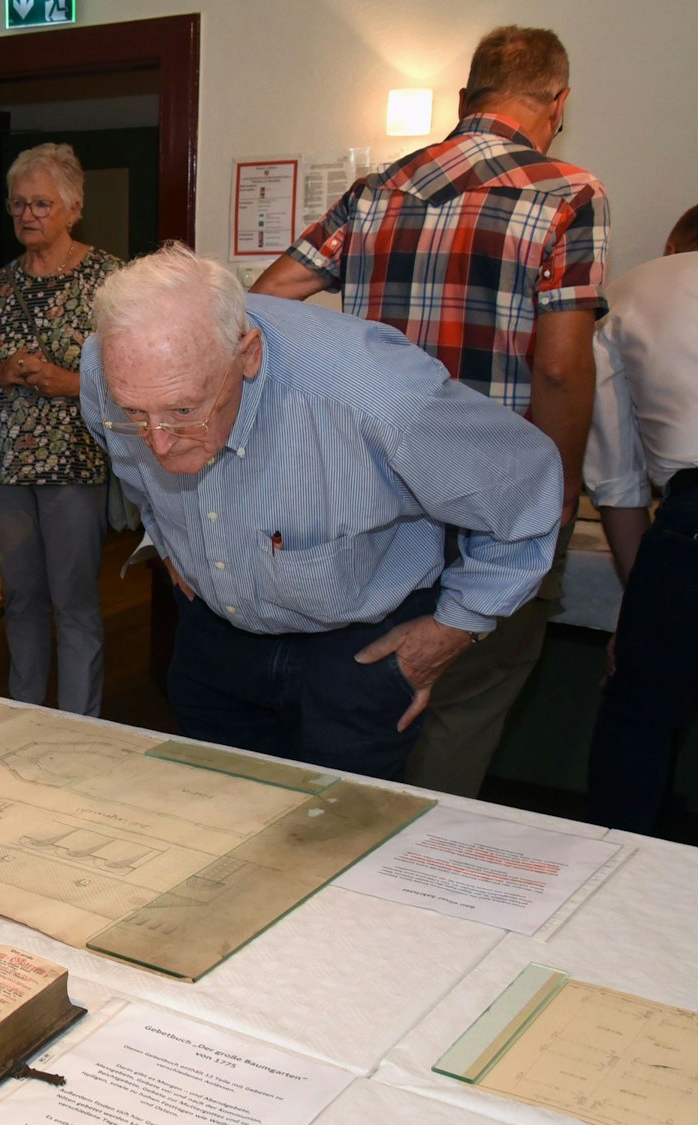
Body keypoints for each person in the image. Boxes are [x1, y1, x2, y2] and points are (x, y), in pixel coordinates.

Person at [252, 25, 608, 797]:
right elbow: (558, 367)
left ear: (462, 99)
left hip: (372, 503)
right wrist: (556, 495)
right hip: (489, 503)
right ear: (558, 103)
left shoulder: (376, 189)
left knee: (365, 703)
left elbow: (263, 302)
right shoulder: (568, 194)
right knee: (462, 712)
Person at [83, 245, 562, 779]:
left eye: (184, 411)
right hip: (212, 632)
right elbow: (135, 468)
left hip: (355, 653)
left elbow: (526, 486)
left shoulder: (373, 390)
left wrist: (458, 625)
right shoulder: (107, 369)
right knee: (216, 823)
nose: (161, 444)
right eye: (134, 413)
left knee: (344, 838)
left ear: (248, 356)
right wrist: (168, 541)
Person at [0, 143, 121, 714]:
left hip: (75, 467)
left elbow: (137, 380)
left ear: (73, 208)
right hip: (4, 470)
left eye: (42, 204)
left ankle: (80, 727)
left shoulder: (111, 283)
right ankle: (24, 716)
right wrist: (1, 372)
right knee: (21, 599)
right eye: (18, 204)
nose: (28, 215)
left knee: (74, 602)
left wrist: (67, 382)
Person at [581, 205, 698, 833]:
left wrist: (639, 610)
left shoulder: (631, 293)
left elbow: (619, 482)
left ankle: (616, 874)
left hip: (691, 516)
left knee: (642, 713)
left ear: (673, 242)